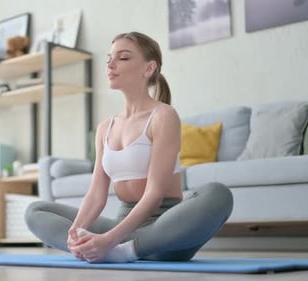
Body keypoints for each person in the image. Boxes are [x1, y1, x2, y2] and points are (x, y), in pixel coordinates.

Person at [25, 31, 233, 263]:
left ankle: (125, 250)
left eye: (123, 58)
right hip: (121, 225)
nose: (111, 64)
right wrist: (76, 232)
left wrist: (111, 240)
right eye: (109, 59)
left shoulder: (163, 116)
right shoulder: (105, 128)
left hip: (165, 232)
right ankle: (90, 247)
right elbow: (96, 195)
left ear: (148, 68)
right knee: (35, 212)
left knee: (218, 194)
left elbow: (154, 195)